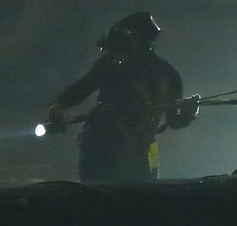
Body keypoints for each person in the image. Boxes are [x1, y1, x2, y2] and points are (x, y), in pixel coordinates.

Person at [47, 12, 199, 183]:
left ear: (142, 41)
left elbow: (174, 121)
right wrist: (60, 104)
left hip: (139, 155)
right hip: (99, 150)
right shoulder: (109, 64)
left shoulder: (167, 75)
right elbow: (84, 86)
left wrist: (188, 112)